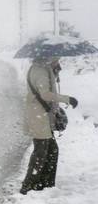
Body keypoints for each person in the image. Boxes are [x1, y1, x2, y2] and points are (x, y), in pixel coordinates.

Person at [21, 57, 78, 195]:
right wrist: (67, 99)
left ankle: (44, 184)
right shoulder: (40, 70)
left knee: (51, 150)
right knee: (41, 151)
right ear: (48, 57)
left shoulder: (44, 68)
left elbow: (46, 89)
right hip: (38, 115)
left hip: (41, 115)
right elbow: (45, 94)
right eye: (56, 58)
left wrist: (54, 73)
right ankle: (29, 186)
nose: (58, 60)